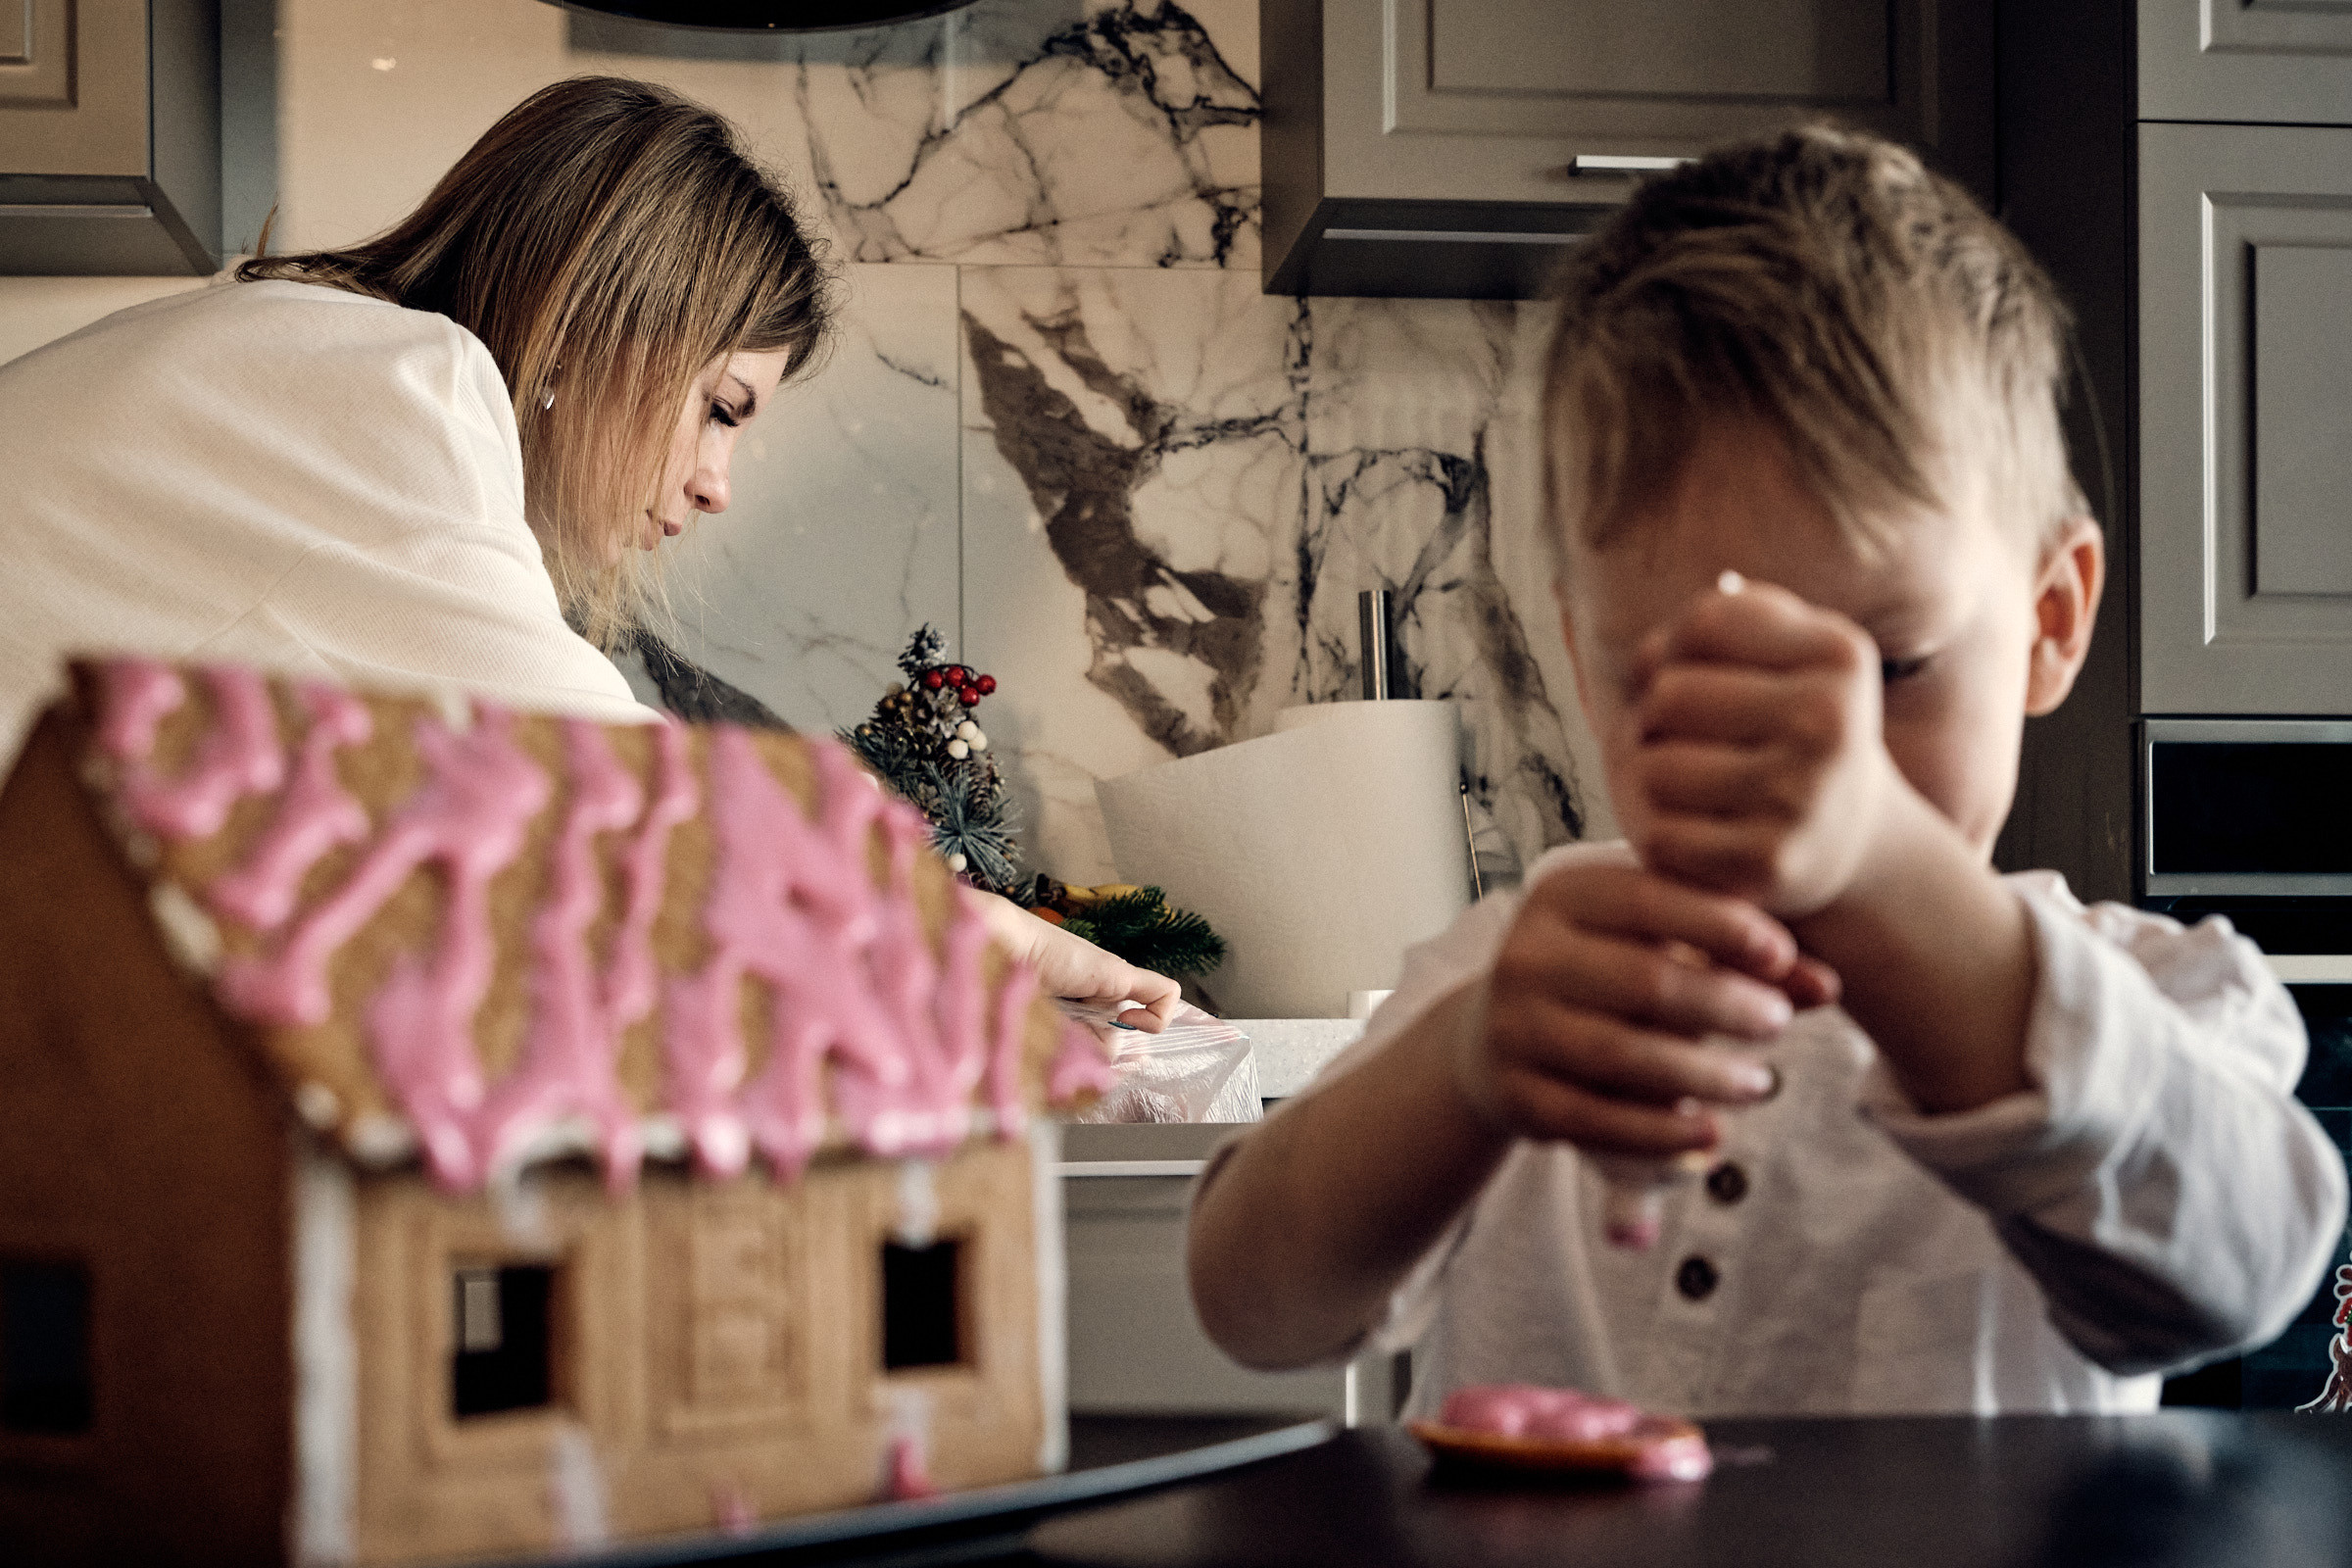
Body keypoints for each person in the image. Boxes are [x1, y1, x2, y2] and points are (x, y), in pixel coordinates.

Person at [1187, 125, 2347, 1415]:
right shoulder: (1518, 981)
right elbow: (1255, 1307)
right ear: (1584, 660)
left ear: (2052, 620)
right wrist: (1466, 1071)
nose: (1800, 759)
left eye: (1892, 664)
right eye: (1676, 677)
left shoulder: (2153, 996)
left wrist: (1888, 871)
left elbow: (2242, 1271)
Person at [0, 75, 1175, 1024]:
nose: (717, 485)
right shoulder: (401, 390)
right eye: (720, 408)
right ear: (611, 321)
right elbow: (629, 812)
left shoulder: (290, 353)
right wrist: (991, 934)